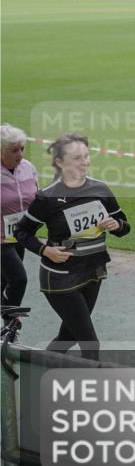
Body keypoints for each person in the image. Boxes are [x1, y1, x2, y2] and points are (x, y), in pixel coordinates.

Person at [14, 133, 130, 361]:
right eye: (77, 158)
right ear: (59, 162)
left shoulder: (100, 190)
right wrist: (45, 250)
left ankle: (36, 370)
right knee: (90, 342)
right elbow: (21, 231)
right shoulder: (48, 198)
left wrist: (117, 225)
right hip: (60, 278)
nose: (84, 162)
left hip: (93, 272)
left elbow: (124, 226)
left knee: (67, 337)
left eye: (86, 156)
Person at [1, 124, 38, 326]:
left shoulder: (28, 168)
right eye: (14, 150)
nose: (20, 154)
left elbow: (36, 196)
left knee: (4, 281)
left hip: (19, 235)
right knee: (18, 279)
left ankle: (7, 328)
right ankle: (11, 324)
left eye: (22, 148)